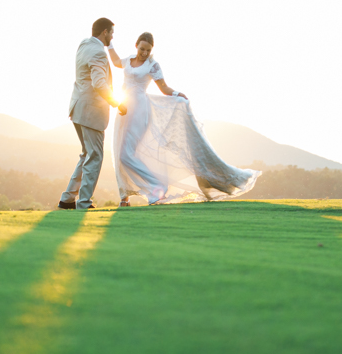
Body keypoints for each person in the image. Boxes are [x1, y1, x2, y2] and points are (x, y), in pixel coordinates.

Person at [108, 32, 261, 206]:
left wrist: (177, 94)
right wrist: (109, 43)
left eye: (148, 50)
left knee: (126, 154)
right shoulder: (128, 60)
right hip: (123, 109)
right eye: (142, 49)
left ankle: (156, 186)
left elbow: (163, 87)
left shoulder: (153, 65)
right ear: (136, 46)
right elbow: (115, 61)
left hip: (140, 110)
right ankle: (129, 195)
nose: (144, 53)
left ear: (152, 50)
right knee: (120, 151)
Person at [58, 18, 127, 210]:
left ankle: (67, 198)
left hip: (77, 108)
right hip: (90, 112)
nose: (112, 37)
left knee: (87, 154)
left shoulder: (84, 45)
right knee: (95, 156)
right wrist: (116, 102)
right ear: (105, 32)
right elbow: (99, 84)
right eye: (112, 33)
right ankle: (84, 202)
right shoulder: (98, 52)